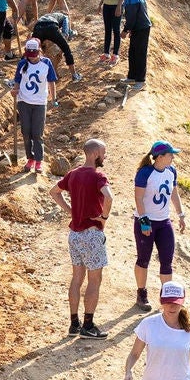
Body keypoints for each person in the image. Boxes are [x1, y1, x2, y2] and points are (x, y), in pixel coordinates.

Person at [49, 138, 114, 338]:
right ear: (95, 154)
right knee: (95, 280)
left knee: (77, 278)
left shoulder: (73, 174)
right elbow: (109, 197)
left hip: (74, 234)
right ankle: (88, 325)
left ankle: (74, 324)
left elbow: (54, 192)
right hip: (92, 234)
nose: (105, 156)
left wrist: (71, 211)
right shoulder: (98, 175)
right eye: (103, 152)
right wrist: (103, 217)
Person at [133, 141, 186, 313]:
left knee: (167, 260)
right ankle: (141, 293)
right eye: (170, 154)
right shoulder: (145, 173)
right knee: (143, 259)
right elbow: (139, 198)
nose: (173, 157)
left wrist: (181, 214)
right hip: (146, 221)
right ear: (161, 156)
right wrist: (144, 220)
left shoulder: (171, 172)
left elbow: (174, 194)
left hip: (164, 222)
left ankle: (167, 296)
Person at [13, 37, 58, 174]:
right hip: (24, 102)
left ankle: (39, 161)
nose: (32, 58)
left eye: (34, 55)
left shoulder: (47, 63)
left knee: (37, 133)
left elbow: (51, 82)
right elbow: (17, 80)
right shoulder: (22, 64)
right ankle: (30, 158)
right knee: (26, 132)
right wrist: (15, 91)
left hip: (39, 103)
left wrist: (53, 98)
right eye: (29, 56)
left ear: (39, 51)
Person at [119, 0, 152, 89]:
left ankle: (140, 80)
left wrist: (126, 30)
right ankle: (132, 77)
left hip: (141, 28)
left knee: (140, 54)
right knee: (132, 52)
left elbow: (132, 16)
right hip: (139, 27)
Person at [30, 11, 82, 83]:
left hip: (38, 28)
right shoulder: (64, 17)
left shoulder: (47, 16)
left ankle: (17, 79)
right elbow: (65, 34)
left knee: (31, 50)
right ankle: (74, 75)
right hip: (51, 28)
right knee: (66, 50)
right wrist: (66, 37)